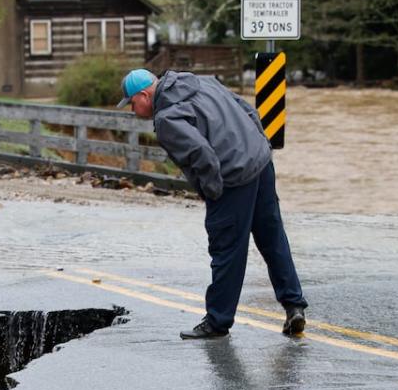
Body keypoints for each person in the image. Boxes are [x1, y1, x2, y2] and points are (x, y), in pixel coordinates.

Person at [118, 68, 307, 340]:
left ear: (144, 95)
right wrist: (261, 145)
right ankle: (294, 305)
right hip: (260, 160)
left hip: (232, 177)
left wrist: (213, 191)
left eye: (132, 103)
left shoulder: (167, 118)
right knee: (272, 236)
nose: (133, 110)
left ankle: (217, 322)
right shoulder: (201, 81)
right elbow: (246, 109)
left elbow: (201, 154)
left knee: (226, 249)